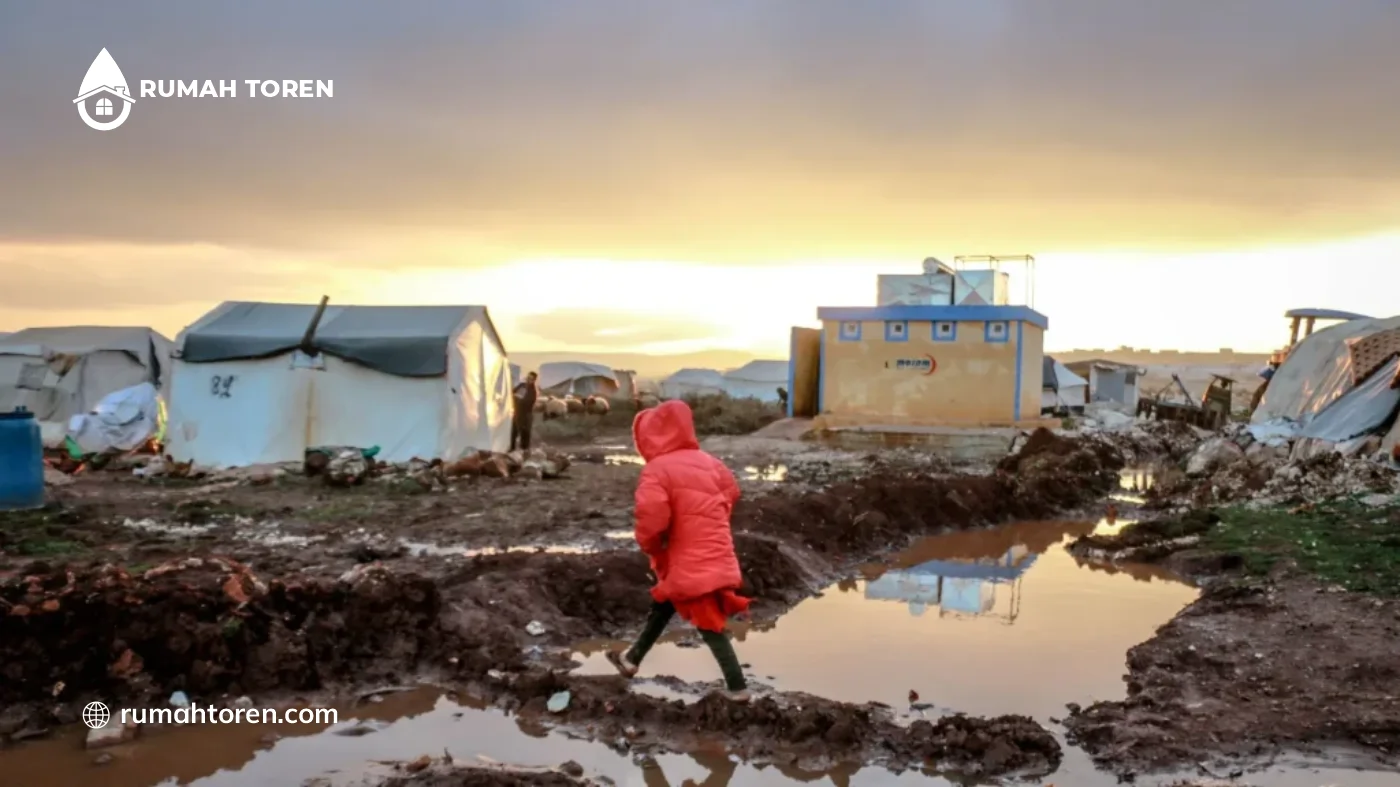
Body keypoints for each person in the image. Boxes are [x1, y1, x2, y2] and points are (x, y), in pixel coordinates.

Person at [607, 399, 751, 701]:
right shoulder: (711, 462)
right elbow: (731, 492)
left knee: (708, 621)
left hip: (688, 558)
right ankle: (632, 660)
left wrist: (650, 545)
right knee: (666, 602)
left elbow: (651, 517)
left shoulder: (657, 470)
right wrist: (710, 521)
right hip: (715, 548)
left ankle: (738, 689)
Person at [511, 371, 539, 451]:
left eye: (530, 379)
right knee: (513, 433)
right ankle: (511, 450)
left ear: (533, 380)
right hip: (517, 413)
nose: (528, 380)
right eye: (528, 378)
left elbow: (527, 402)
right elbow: (512, 392)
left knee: (525, 434)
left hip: (525, 415)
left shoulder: (533, 391)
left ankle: (524, 451)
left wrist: (517, 398)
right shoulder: (521, 386)